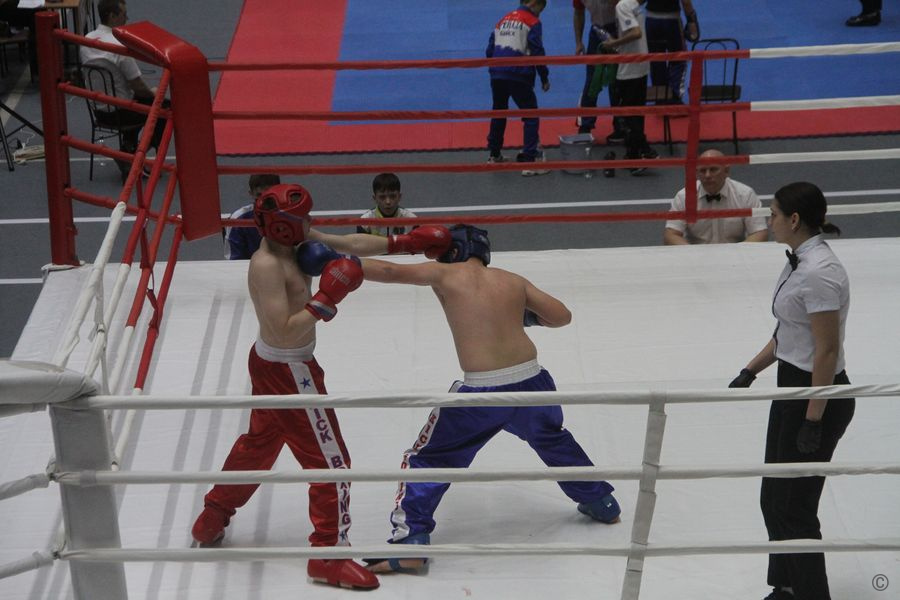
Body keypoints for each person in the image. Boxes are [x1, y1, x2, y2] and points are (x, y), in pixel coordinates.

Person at [300, 225, 619, 574]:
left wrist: (334, 260)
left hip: (483, 392)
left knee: (429, 459)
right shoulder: (512, 279)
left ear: (451, 251)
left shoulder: (445, 273)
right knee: (552, 439)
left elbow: (389, 271)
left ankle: (411, 542)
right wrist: (520, 317)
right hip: (534, 380)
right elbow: (561, 316)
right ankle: (600, 501)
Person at [191, 183, 452, 590]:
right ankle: (328, 555)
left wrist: (404, 243)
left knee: (259, 446)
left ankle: (212, 517)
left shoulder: (292, 240)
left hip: (274, 365)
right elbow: (283, 330)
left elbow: (347, 243)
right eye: (302, 219)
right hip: (288, 369)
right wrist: (328, 297)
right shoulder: (266, 265)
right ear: (282, 226)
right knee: (332, 465)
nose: (309, 223)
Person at [728, 182, 854, 600]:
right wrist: (750, 369)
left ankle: (812, 594)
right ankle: (786, 586)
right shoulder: (799, 263)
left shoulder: (819, 272)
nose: (769, 220)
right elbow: (788, 332)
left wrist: (813, 418)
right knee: (773, 498)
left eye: (774, 214)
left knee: (794, 506)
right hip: (794, 388)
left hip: (817, 394)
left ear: (794, 219)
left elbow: (826, 350)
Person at [80, 0, 168, 181]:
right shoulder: (119, 46)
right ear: (112, 16)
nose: (127, 19)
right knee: (164, 106)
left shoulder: (86, 40)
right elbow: (138, 87)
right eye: (123, 15)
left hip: (97, 110)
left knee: (135, 98)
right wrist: (154, 93)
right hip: (122, 112)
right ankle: (135, 156)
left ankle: (128, 149)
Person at [486, 0, 551, 177]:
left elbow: (489, 49)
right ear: (535, 4)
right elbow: (537, 51)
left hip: (497, 73)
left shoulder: (503, 20)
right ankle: (530, 161)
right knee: (531, 115)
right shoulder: (533, 22)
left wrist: (496, 67)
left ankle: (494, 155)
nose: (539, 14)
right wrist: (544, 77)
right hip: (518, 73)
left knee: (499, 112)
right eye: (540, 10)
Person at [602, 0, 659, 175]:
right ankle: (638, 152)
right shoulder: (633, 4)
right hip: (641, 64)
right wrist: (619, 45)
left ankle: (640, 154)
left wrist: (613, 44)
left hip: (630, 68)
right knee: (636, 113)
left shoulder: (623, 6)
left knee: (628, 114)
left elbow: (636, 33)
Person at [664, 149, 768, 244]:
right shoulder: (683, 197)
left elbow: (759, 233)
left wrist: (737, 253)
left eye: (713, 169)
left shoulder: (745, 194)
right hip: (696, 254)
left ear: (726, 171)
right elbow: (671, 235)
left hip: (735, 254)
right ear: (696, 173)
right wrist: (693, 254)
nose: (707, 175)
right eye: (703, 170)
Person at [573, 0, 627, 143]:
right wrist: (578, 42)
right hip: (596, 31)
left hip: (619, 30)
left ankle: (621, 125)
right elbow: (578, 12)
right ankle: (585, 126)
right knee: (592, 81)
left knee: (618, 79)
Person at [645, 0, 699, 104]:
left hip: (651, 21)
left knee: (656, 61)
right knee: (679, 59)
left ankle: (660, 97)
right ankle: (674, 97)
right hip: (671, 21)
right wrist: (692, 20)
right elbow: (686, 2)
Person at [223, 173, 280, 259]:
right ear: (251, 193)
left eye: (269, 195)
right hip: (247, 266)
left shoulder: (290, 214)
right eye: (259, 195)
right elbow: (234, 261)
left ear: (279, 191)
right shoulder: (238, 219)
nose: (264, 200)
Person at [356, 173, 417, 237]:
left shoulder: (412, 221)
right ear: (375, 198)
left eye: (392, 196)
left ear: (399, 197)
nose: (388, 202)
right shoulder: (364, 223)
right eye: (382, 197)